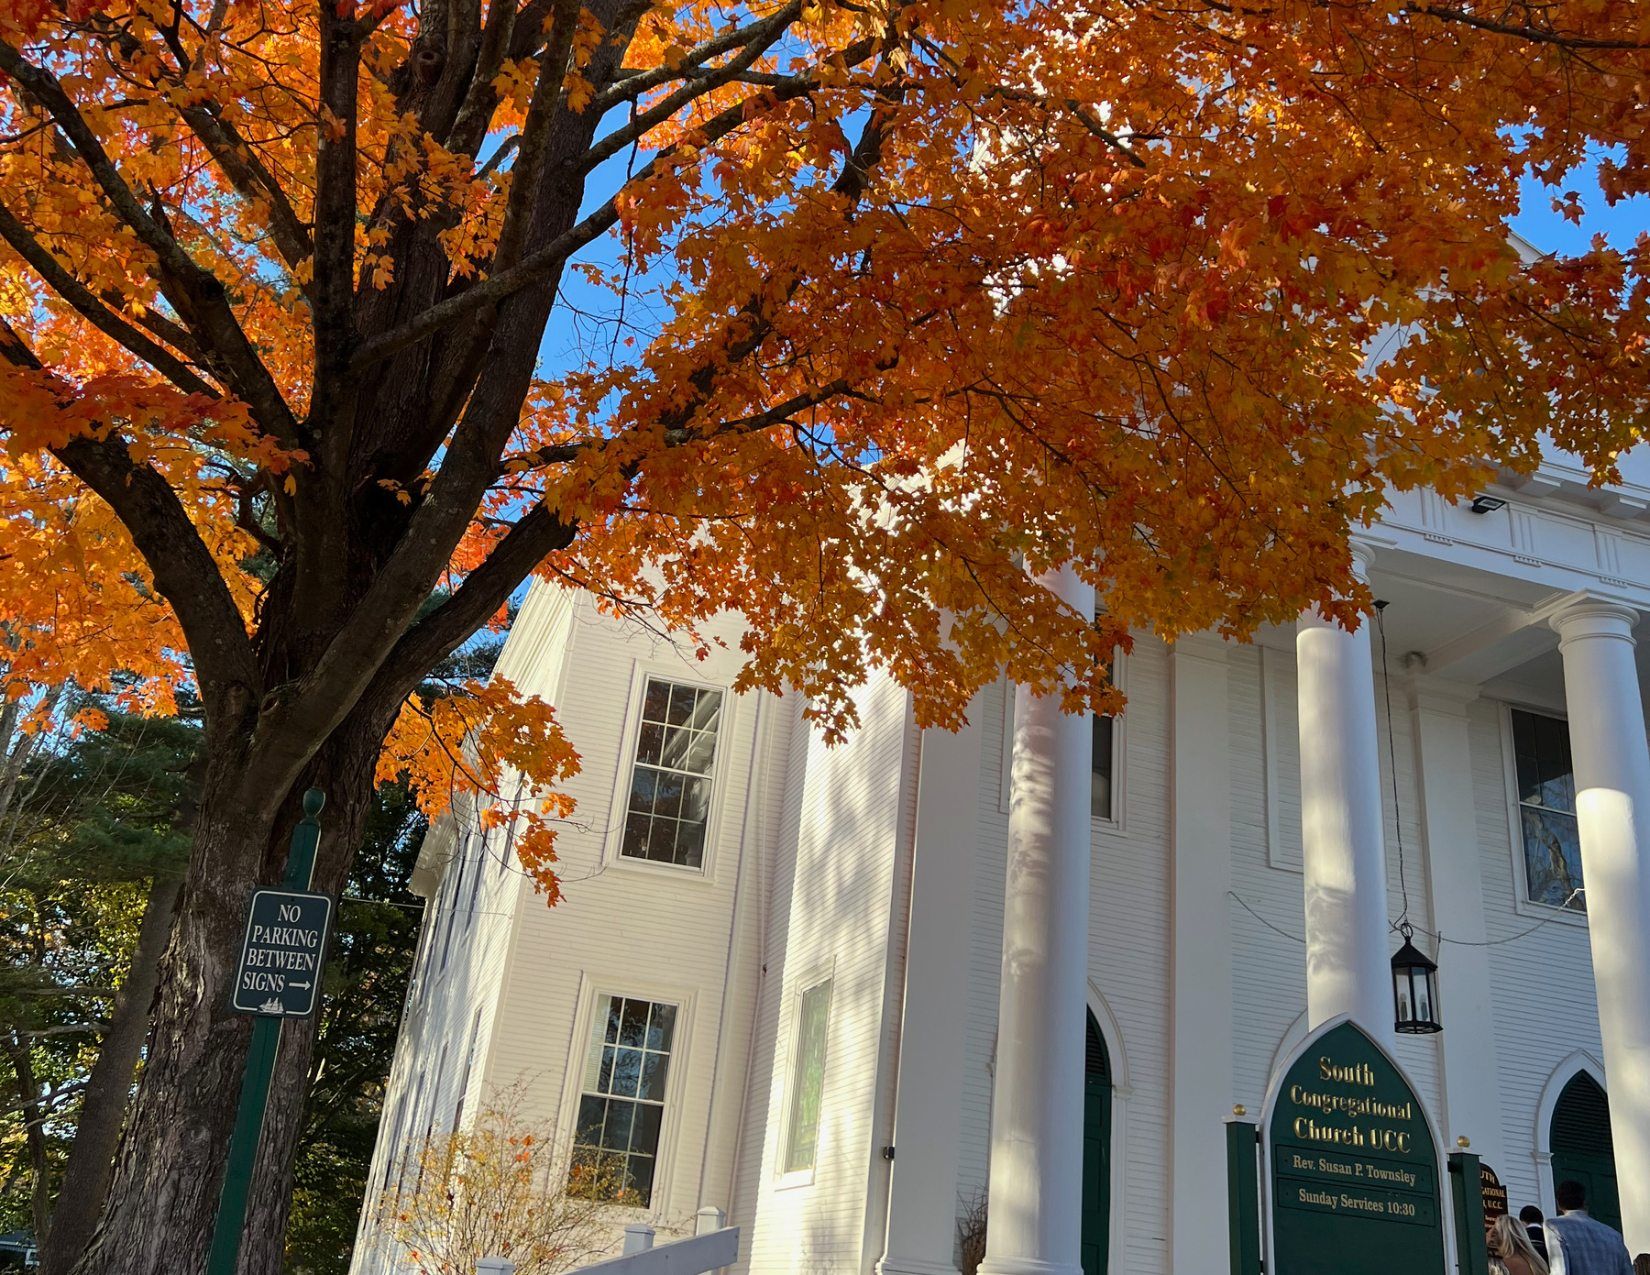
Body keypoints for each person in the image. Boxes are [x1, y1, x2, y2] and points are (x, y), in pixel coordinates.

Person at [1546, 1180, 1633, 1275]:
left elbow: (1560, 1271)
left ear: (1558, 1204)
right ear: (1584, 1202)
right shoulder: (1614, 1236)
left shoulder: (1554, 1226)